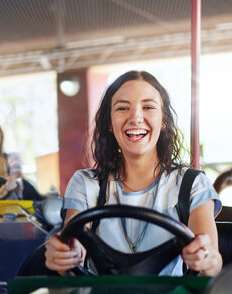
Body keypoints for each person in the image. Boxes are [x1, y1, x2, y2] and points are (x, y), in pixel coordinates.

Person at [44, 70, 222, 276]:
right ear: (109, 123)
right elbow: (76, 247)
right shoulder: (86, 183)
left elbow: (213, 259)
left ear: (164, 121)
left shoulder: (191, 183)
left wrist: (206, 258)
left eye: (148, 107)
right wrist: (65, 255)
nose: (135, 117)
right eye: (122, 108)